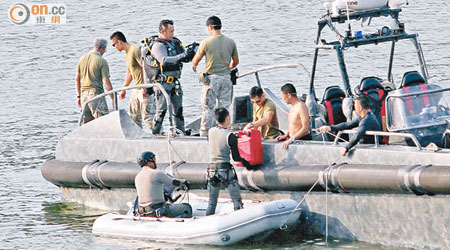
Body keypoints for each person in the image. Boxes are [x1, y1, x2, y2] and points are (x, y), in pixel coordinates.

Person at [145, 19, 196, 134]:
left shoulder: (175, 42)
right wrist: (182, 55)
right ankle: (156, 133)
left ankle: (180, 132)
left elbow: (183, 58)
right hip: (163, 84)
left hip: (175, 82)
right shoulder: (158, 45)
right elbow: (164, 60)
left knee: (178, 110)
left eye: (173, 31)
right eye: (171, 31)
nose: (173, 33)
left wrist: (191, 53)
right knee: (161, 111)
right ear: (163, 31)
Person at [192, 16, 239, 137]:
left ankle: (205, 135)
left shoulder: (206, 42)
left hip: (212, 80)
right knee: (224, 107)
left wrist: (194, 66)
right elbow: (235, 62)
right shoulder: (230, 42)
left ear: (210, 27)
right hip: (226, 79)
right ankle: (224, 133)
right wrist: (228, 67)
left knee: (208, 108)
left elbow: (195, 60)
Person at [206, 108, 251, 215]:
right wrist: (247, 164)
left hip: (212, 170)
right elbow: (236, 157)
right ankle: (238, 218)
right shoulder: (230, 136)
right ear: (227, 118)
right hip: (225, 170)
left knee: (212, 202)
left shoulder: (210, 131)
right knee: (236, 200)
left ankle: (207, 220)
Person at [110, 31, 155, 130]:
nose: (114, 47)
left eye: (114, 45)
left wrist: (146, 87)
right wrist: (124, 89)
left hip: (143, 88)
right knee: (134, 116)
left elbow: (145, 67)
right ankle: (138, 138)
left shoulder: (135, 50)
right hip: (135, 88)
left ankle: (159, 136)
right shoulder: (127, 54)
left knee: (148, 117)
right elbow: (130, 72)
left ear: (119, 42)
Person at [134, 151, 192, 218]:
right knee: (187, 207)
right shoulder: (157, 173)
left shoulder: (137, 177)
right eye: (154, 159)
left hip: (142, 212)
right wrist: (184, 182)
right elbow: (174, 182)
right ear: (149, 161)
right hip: (158, 210)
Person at [75, 38, 114, 124]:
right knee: (103, 122)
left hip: (84, 96)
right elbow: (106, 81)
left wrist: (79, 96)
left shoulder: (82, 59)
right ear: (103, 48)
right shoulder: (101, 61)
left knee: (86, 125)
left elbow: (77, 79)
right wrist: (112, 97)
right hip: (96, 95)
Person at [276, 83, 311, 149]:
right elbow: (294, 125)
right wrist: (286, 135)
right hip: (293, 139)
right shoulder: (293, 107)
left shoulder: (301, 106)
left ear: (289, 95)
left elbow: (306, 128)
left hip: (302, 140)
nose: (283, 99)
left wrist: (291, 140)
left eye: (283, 97)